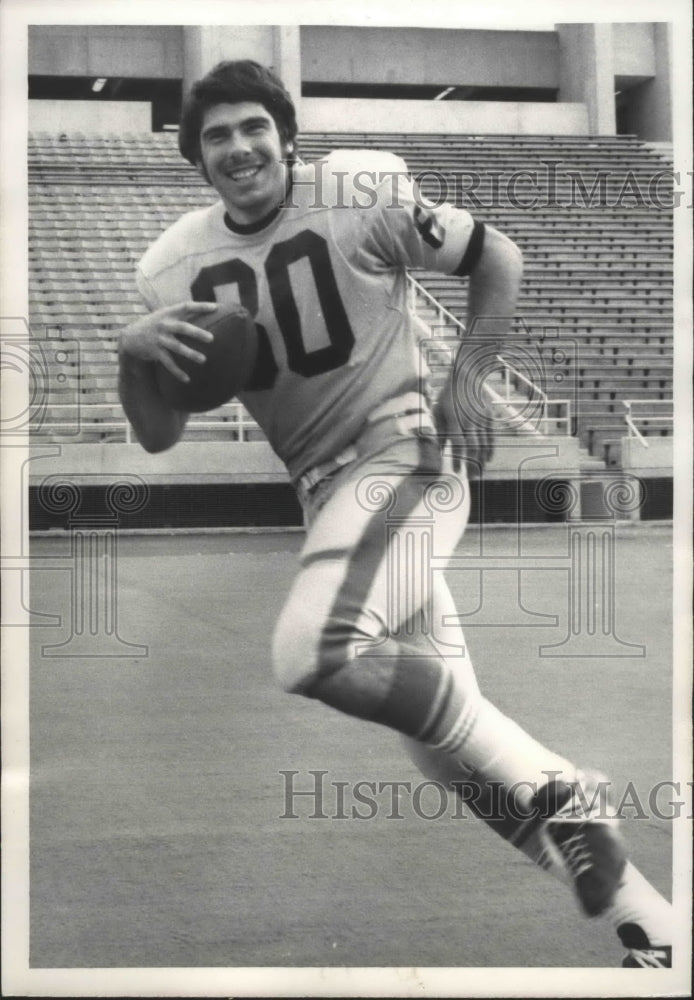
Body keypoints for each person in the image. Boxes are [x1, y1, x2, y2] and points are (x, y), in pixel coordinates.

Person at [118, 59, 672, 968]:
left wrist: (470, 377)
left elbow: (499, 254)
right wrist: (132, 355)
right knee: (451, 753)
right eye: (216, 136)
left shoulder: (357, 187)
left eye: (253, 126)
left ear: (285, 135)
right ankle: (653, 925)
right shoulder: (170, 268)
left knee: (314, 651)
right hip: (329, 500)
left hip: (403, 455)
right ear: (197, 158)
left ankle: (568, 792)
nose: (238, 146)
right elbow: (155, 438)